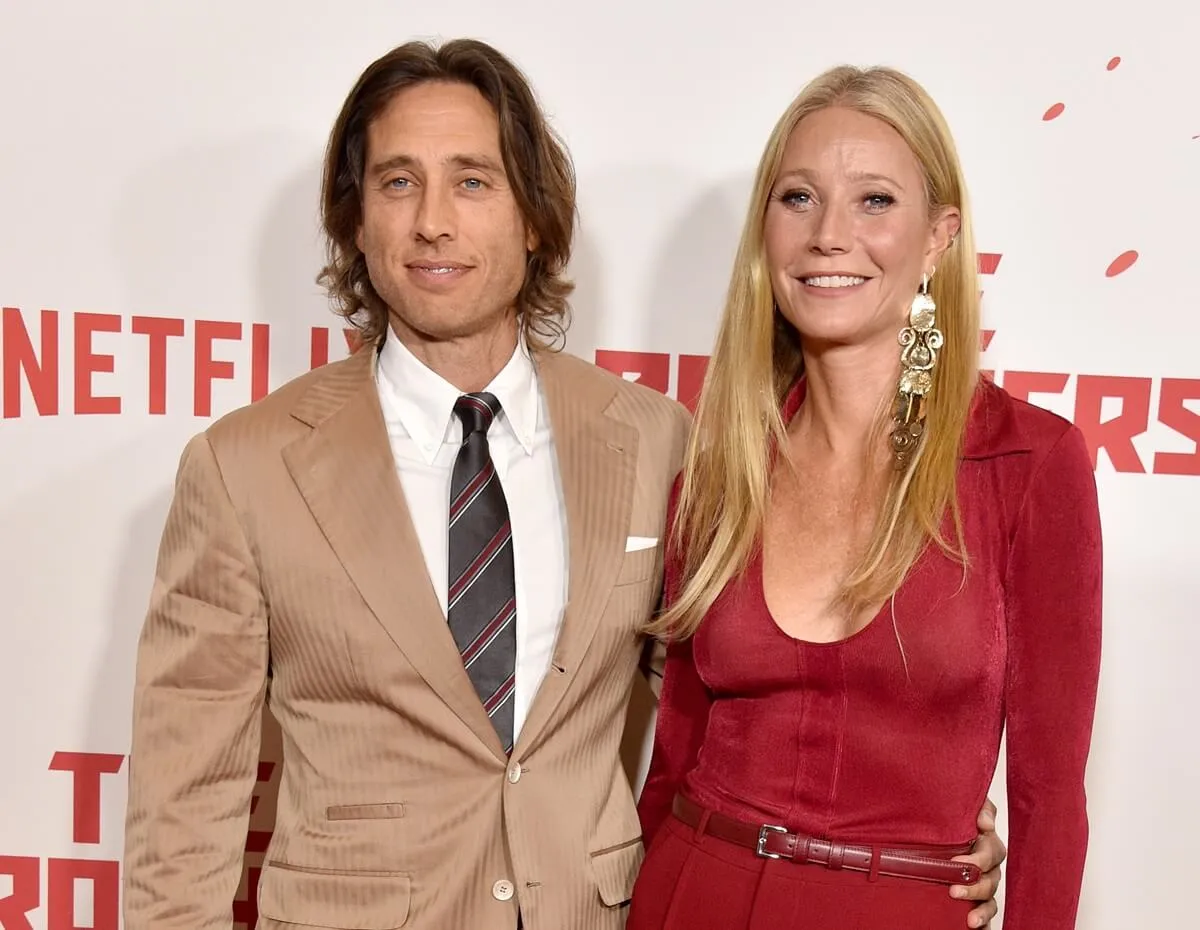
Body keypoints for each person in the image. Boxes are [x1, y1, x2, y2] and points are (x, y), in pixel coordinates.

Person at [121, 40, 1008, 930]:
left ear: (535, 217)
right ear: (356, 221)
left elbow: (745, 701)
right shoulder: (245, 468)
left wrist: (912, 829)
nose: (433, 221)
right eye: (397, 183)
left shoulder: (653, 441)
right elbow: (183, 813)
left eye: (473, 181)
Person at [629, 64, 1102, 930]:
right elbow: (674, 759)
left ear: (939, 237)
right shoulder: (723, 469)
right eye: (798, 198)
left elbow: (1048, 797)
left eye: (875, 201)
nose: (828, 236)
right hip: (693, 891)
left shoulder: (1026, 463)